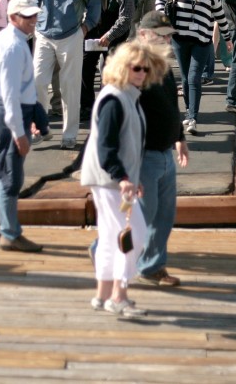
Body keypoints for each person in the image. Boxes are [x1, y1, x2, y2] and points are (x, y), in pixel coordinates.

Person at [80, 40, 168, 318]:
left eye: (145, 68)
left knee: (109, 237)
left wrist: (133, 176)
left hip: (112, 179)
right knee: (134, 236)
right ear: (123, 68)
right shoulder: (115, 99)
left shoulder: (126, 96)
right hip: (109, 180)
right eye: (136, 68)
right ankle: (119, 296)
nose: (142, 73)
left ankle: (103, 294)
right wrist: (122, 178)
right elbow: (106, 146)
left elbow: (125, 144)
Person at [0, 0, 46, 253]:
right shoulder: (13, 46)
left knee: (1, 167)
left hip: (10, 110)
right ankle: (10, 233)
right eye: (27, 16)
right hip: (10, 113)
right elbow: (11, 94)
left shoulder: (11, 39)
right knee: (10, 176)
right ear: (13, 18)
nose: (33, 20)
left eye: (34, 15)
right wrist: (19, 133)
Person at [133, 11, 189, 288]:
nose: (168, 40)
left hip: (165, 153)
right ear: (143, 35)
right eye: (162, 36)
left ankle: (152, 266)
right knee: (141, 218)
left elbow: (170, 104)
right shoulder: (133, 68)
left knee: (163, 216)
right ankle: (103, 251)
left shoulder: (163, 65)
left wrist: (179, 136)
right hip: (144, 156)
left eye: (169, 36)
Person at [33, 0, 101, 150]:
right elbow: (34, 0)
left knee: (70, 87)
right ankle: (41, 128)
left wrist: (86, 27)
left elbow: (94, 2)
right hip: (44, 34)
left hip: (71, 34)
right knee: (38, 81)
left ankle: (69, 134)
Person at [155, 0, 231, 135]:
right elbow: (159, 1)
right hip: (180, 39)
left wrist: (227, 39)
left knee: (194, 77)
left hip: (202, 40)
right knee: (185, 76)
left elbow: (220, 16)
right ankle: (190, 113)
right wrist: (163, 20)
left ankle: (193, 117)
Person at [82, 0, 135, 116]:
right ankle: (86, 106)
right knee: (86, 68)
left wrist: (109, 35)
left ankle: (109, 109)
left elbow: (126, 17)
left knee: (111, 74)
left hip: (113, 38)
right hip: (94, 33)